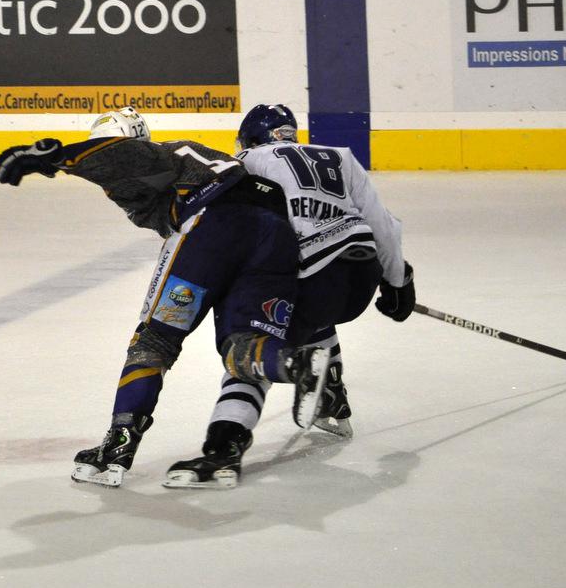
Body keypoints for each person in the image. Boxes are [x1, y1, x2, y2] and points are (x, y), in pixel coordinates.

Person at [0, 107, 332, 488]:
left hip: (213, 229)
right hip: (275, 237)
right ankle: (296, 363)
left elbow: (125, 156)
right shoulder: (187, 161)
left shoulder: (155, 156)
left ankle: (118, 446)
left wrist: (56, 157)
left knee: (155, 340)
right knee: (243, 345)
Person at [172, 104, 414, 484]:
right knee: (311, 308)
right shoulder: (340, 156)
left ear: (249, 139)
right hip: (360, 275)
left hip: (312, 277)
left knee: (252, 347)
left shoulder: (247, 161)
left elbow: (228, 227)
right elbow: (383, 225)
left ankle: (223, 450)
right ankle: (331, 395)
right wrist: (398, 280)